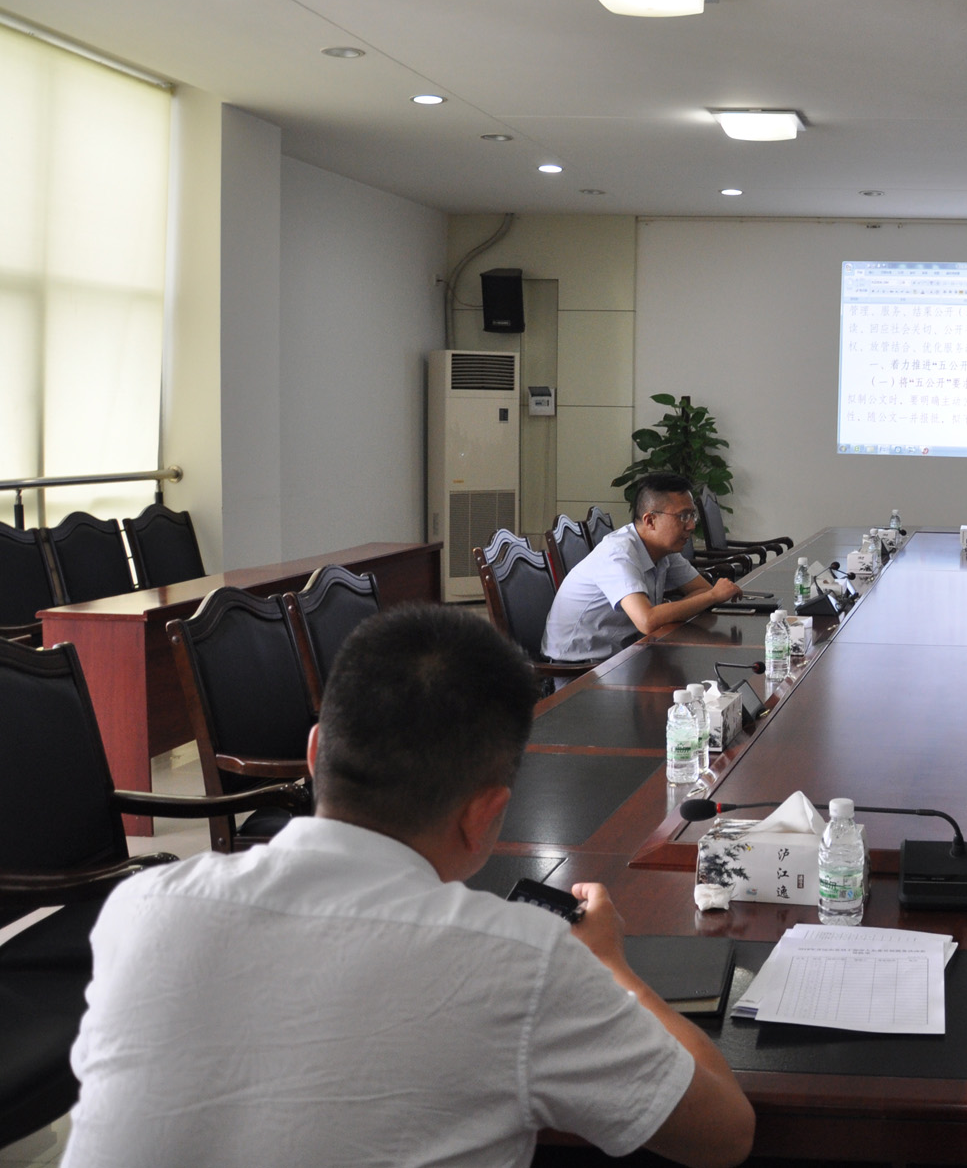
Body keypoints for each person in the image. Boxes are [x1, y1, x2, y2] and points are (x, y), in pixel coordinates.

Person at [65, 604, 756, 1167]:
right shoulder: (521, 961)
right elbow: (725, 1132)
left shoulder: (141, 908)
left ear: (314, 752)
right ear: (486, 813)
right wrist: (611, 966)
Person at [544, 472, 743, 661]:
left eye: (692, 515)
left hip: (623, 656)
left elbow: (701, 590)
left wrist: (667, 612)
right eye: (683, 516)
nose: (691, 525)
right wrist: (713, 596)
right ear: (650, 520)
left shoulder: (664, 549)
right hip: (578, 667)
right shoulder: (618, 553)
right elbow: (647, 621)